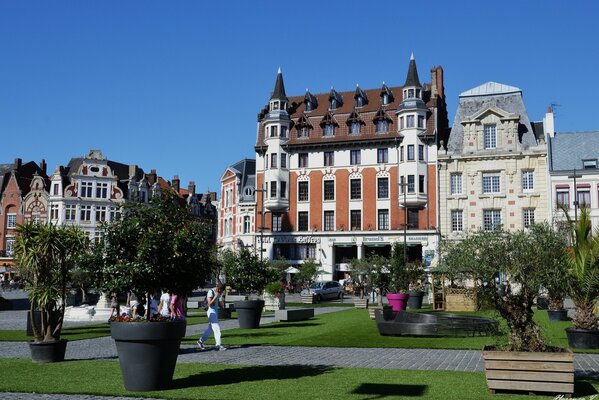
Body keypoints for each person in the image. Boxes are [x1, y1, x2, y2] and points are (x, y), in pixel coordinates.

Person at [197, 283, 226, 351]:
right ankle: (218, 345)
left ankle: (200, 341)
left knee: (210, 329)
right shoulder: (211, 292)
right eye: (220, 290)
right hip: (211, 312)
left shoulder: (218, 293)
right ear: (218, 288)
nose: (221, 292)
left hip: (215, 312)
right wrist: (216, 296)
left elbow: (217, 301)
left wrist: (221, 306)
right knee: (217, 329)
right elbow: (209, 303)